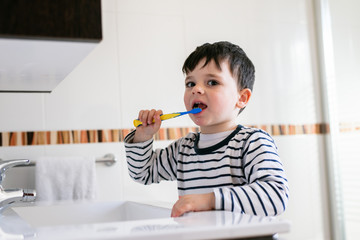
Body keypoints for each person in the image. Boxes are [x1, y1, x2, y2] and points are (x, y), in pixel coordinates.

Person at [124, 41, 289, 218]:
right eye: (190, 83)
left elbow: (276, 196)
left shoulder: (252, 142)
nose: (196, 89)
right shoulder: (183, 149)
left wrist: (209, 200)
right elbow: (143, 173)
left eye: (212, 82)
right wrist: (143, 137)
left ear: (242, 98)